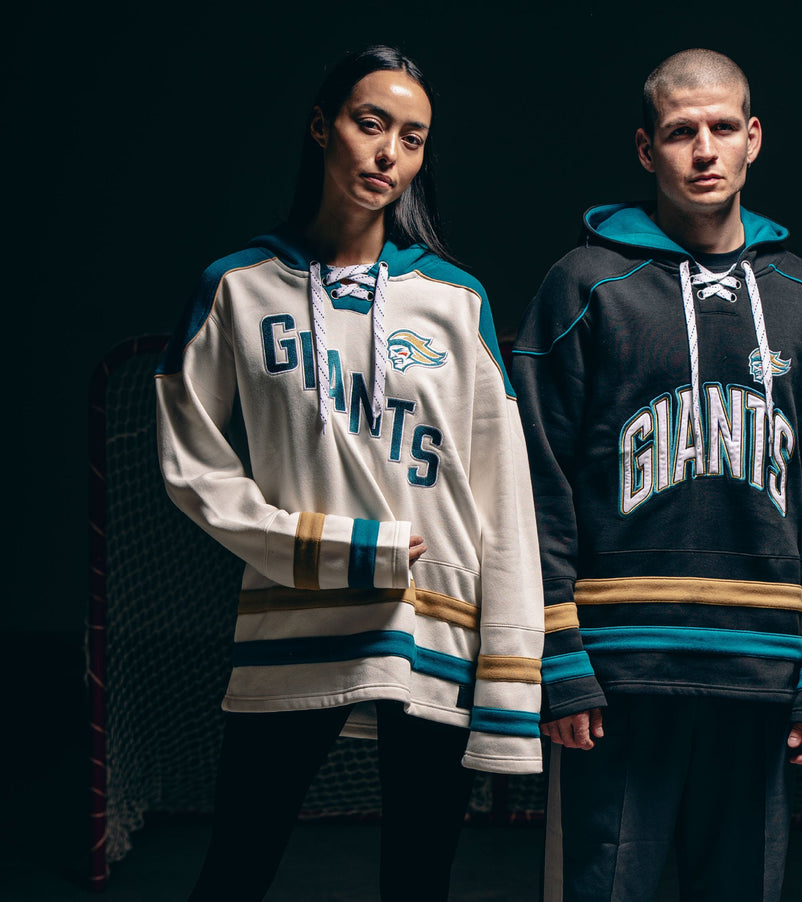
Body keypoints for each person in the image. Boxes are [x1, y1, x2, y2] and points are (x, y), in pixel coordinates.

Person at [155, 45, 545, 902]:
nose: (388, 154)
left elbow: (505, 496)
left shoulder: (456, 300)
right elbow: (191, 468)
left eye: (412, 138)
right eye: (371, 124)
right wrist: (336, 547)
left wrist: (513, 672)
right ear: (320, 126)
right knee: (235, 869)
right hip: (295, 624)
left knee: (418, 882)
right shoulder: (237, 288)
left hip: (436, 628)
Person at [509, 48, 802, 902]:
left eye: (722, 128)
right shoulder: (583, 285)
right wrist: (556, 654)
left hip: (762, 670)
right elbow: (534, 483)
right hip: (617, 674)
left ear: (754, 138)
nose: (704, 150)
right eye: (680, 132)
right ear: (647, 149)